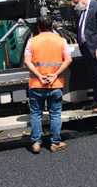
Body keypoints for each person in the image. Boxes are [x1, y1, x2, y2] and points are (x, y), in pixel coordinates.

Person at [24, 15, 72, 153]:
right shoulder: (61, 41)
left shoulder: (32, 42)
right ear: (52, 26)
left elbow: (27, 61)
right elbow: (68, 60)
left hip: (37, 85)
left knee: (36, 114)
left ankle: (36, 144)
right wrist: (55, 75)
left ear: (38, 28)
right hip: (55, 84)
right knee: (55, 114)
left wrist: (39, 76)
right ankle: (55, 143)